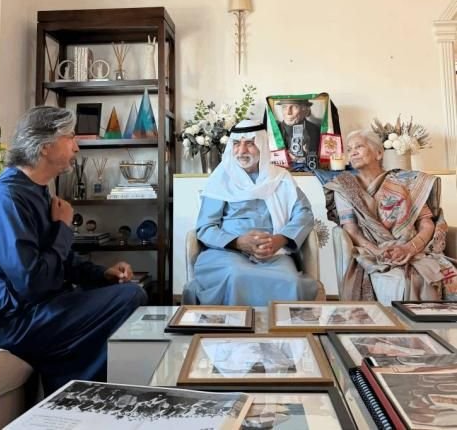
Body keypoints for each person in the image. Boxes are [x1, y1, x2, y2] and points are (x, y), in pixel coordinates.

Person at [0, 105, 147, 394]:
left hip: (37, 307)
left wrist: (102, 274)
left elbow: (61, 259)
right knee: (129, 296)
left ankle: (74, 391)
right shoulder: (7, 198)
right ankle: (75, 394)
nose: (76, 146)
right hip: (10, 321)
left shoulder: (37, 189)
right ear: (45, 146)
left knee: (127, 291)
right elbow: (33, 282)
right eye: (70, 137)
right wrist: (62, 226)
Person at [184, 119, 318, 305]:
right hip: (227, 252)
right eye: (236, 144)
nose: (241, 151)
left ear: (262, 145)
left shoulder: (280, 178)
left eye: (249, 143)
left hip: (272, 253)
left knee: (290, 281)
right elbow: (206, 228)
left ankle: (279, 325)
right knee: (237, 275)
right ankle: (238, 324)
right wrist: (238, 242)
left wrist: (279, 240)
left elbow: (304, 214)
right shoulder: (221, 179)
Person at [324, 129, 457, 304]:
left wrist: (410, 248)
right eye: (349, 149)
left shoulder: (405, 181)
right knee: (408, 279)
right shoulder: (344, 187)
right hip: (374, 251)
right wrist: (377, 251)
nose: (353, 152)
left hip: (412, 248)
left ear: (379, 153)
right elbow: (352, 231)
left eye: (359, 146)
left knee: (442, 275)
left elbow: (426, 224)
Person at [276, 99, 321, 169]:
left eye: (294, 107)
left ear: (305, 111)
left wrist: (307, 154)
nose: (288, 112)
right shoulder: (275, 129)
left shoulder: (314, 130)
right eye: (284, 107)